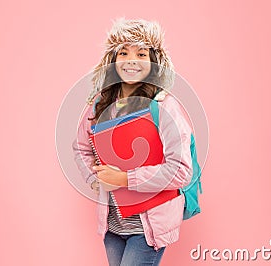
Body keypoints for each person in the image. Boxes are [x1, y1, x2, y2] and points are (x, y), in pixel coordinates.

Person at [72, 18, 193, 266]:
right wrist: (95, 179)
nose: (131, 60)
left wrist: (125, 178)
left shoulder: (165, 107)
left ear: (155, 62)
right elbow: (81, 147)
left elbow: (181, 171)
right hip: (113, 226)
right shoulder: (100, 103)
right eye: (123, 52)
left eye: (141, 53)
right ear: (112, 60)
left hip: (148, 228)